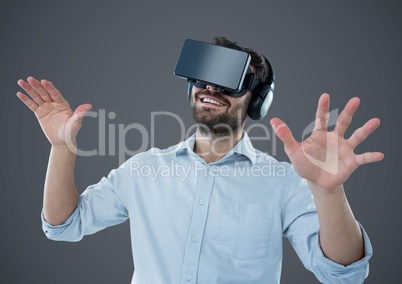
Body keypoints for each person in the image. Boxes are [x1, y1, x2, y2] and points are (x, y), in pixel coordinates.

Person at [16, 36, 383, 284]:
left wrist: (328, 191)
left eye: (230, 82)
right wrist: (62, 148)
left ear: (258, 101)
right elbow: (63, 226)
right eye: (204, 78)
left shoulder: (284, 182)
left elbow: (343, 274)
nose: (211, 89)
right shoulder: (143, 170)